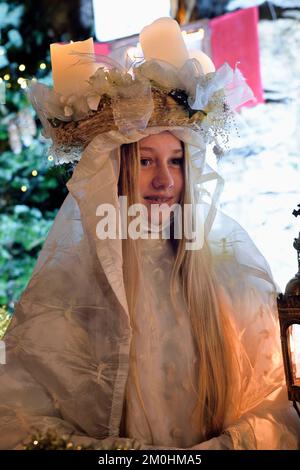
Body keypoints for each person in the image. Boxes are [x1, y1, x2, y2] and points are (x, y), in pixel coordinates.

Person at [1, 19, 300, 450]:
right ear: (116, 172)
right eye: (145, 161)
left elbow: (275, 396)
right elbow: (19, 416)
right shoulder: (71, 284)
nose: (165, 180)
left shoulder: (224, 273)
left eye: (175, 161)